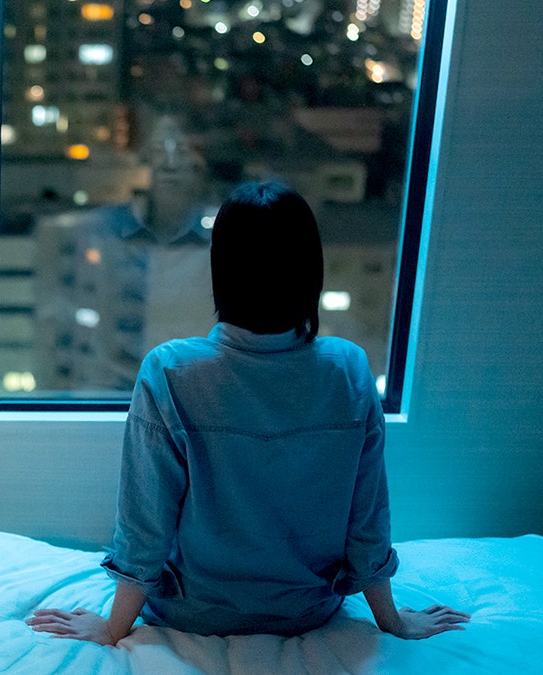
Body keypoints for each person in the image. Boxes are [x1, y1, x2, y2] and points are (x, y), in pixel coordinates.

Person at [27, 180, 469, 645]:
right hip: (306, 611)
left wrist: (113, 628)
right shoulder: (350, 369)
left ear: (221, 268)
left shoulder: (171, 369)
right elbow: (368, 518)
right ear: (309, 270)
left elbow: (145, 523)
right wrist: (391, 620)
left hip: (193, 610)